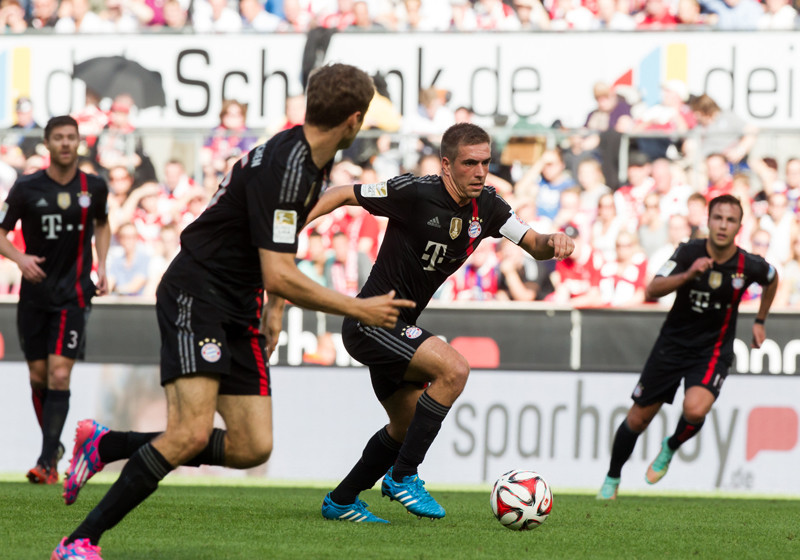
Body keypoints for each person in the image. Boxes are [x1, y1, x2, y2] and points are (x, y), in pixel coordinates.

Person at [51, 63, 415, 560]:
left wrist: (275, 311)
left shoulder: (307, 157)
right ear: (354, 120)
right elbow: (279, 273)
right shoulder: (290, 166)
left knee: (250, 446)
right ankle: (79, 541)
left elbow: (279, 245)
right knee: (190, 432)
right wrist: (357, 308)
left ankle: (106, 445)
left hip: (240, 303)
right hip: (197, 293)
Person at [304, 122, 573, 523]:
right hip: (371, 321)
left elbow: (534, 244)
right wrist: (287, 234)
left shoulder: (491, 207)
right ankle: (403, 477)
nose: (480, 171)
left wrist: (555, 240)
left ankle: (341, 501)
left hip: (400, 324)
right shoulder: (414, 192)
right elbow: (343, 193)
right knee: (455, 368)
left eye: (485, 162)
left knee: (405, 424)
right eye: (470, 163)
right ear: (447, 165)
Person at [597, 194, 778, 500]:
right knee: (638, 419)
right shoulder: (688, 251)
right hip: (672, 346)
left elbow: (772, 278)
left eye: (730, 220)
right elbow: (652, 288)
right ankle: (612, 478)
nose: (723, 225)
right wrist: (689, 274)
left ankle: (670, 446)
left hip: (712, 350)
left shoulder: (748, 264)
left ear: (739, 226)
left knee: (695, 409)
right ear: (708, 221)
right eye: (718, 218)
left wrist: (760, 320)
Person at [0, 115, 111, 484]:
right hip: (34, 294)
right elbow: (1, 232)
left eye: (71, 137)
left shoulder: (93, 186)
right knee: (39, 375)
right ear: (47, 144)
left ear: (79, 142)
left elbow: (103, 223)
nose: (65, 143)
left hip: (75, 293)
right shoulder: (27, 187)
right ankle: (53, 447)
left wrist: (104, 267)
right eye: (58, 138)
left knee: (60, 373)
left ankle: (47, 461)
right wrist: (19, 258)